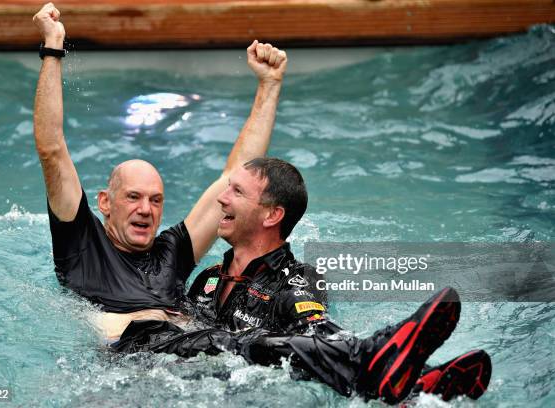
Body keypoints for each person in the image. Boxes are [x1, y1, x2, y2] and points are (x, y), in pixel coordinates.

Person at [112, 158, 492, 404]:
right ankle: (416, 382)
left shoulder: (295, 280)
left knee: (234, 343)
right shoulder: (208, 280)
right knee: (146, 334)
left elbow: (319, 329)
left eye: (237, 192)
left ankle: (379, 359)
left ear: (271, 215)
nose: (222, 200)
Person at [32, 2, 288, 340]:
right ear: (105, 202)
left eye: (156, 200)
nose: (145, 209)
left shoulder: (173, 252)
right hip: (135, 361)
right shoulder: (81, 244)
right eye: (134, 197)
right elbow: (51, 150)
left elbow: (235, 176)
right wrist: (52, 48)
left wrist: (269, 85)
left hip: (198, 353)